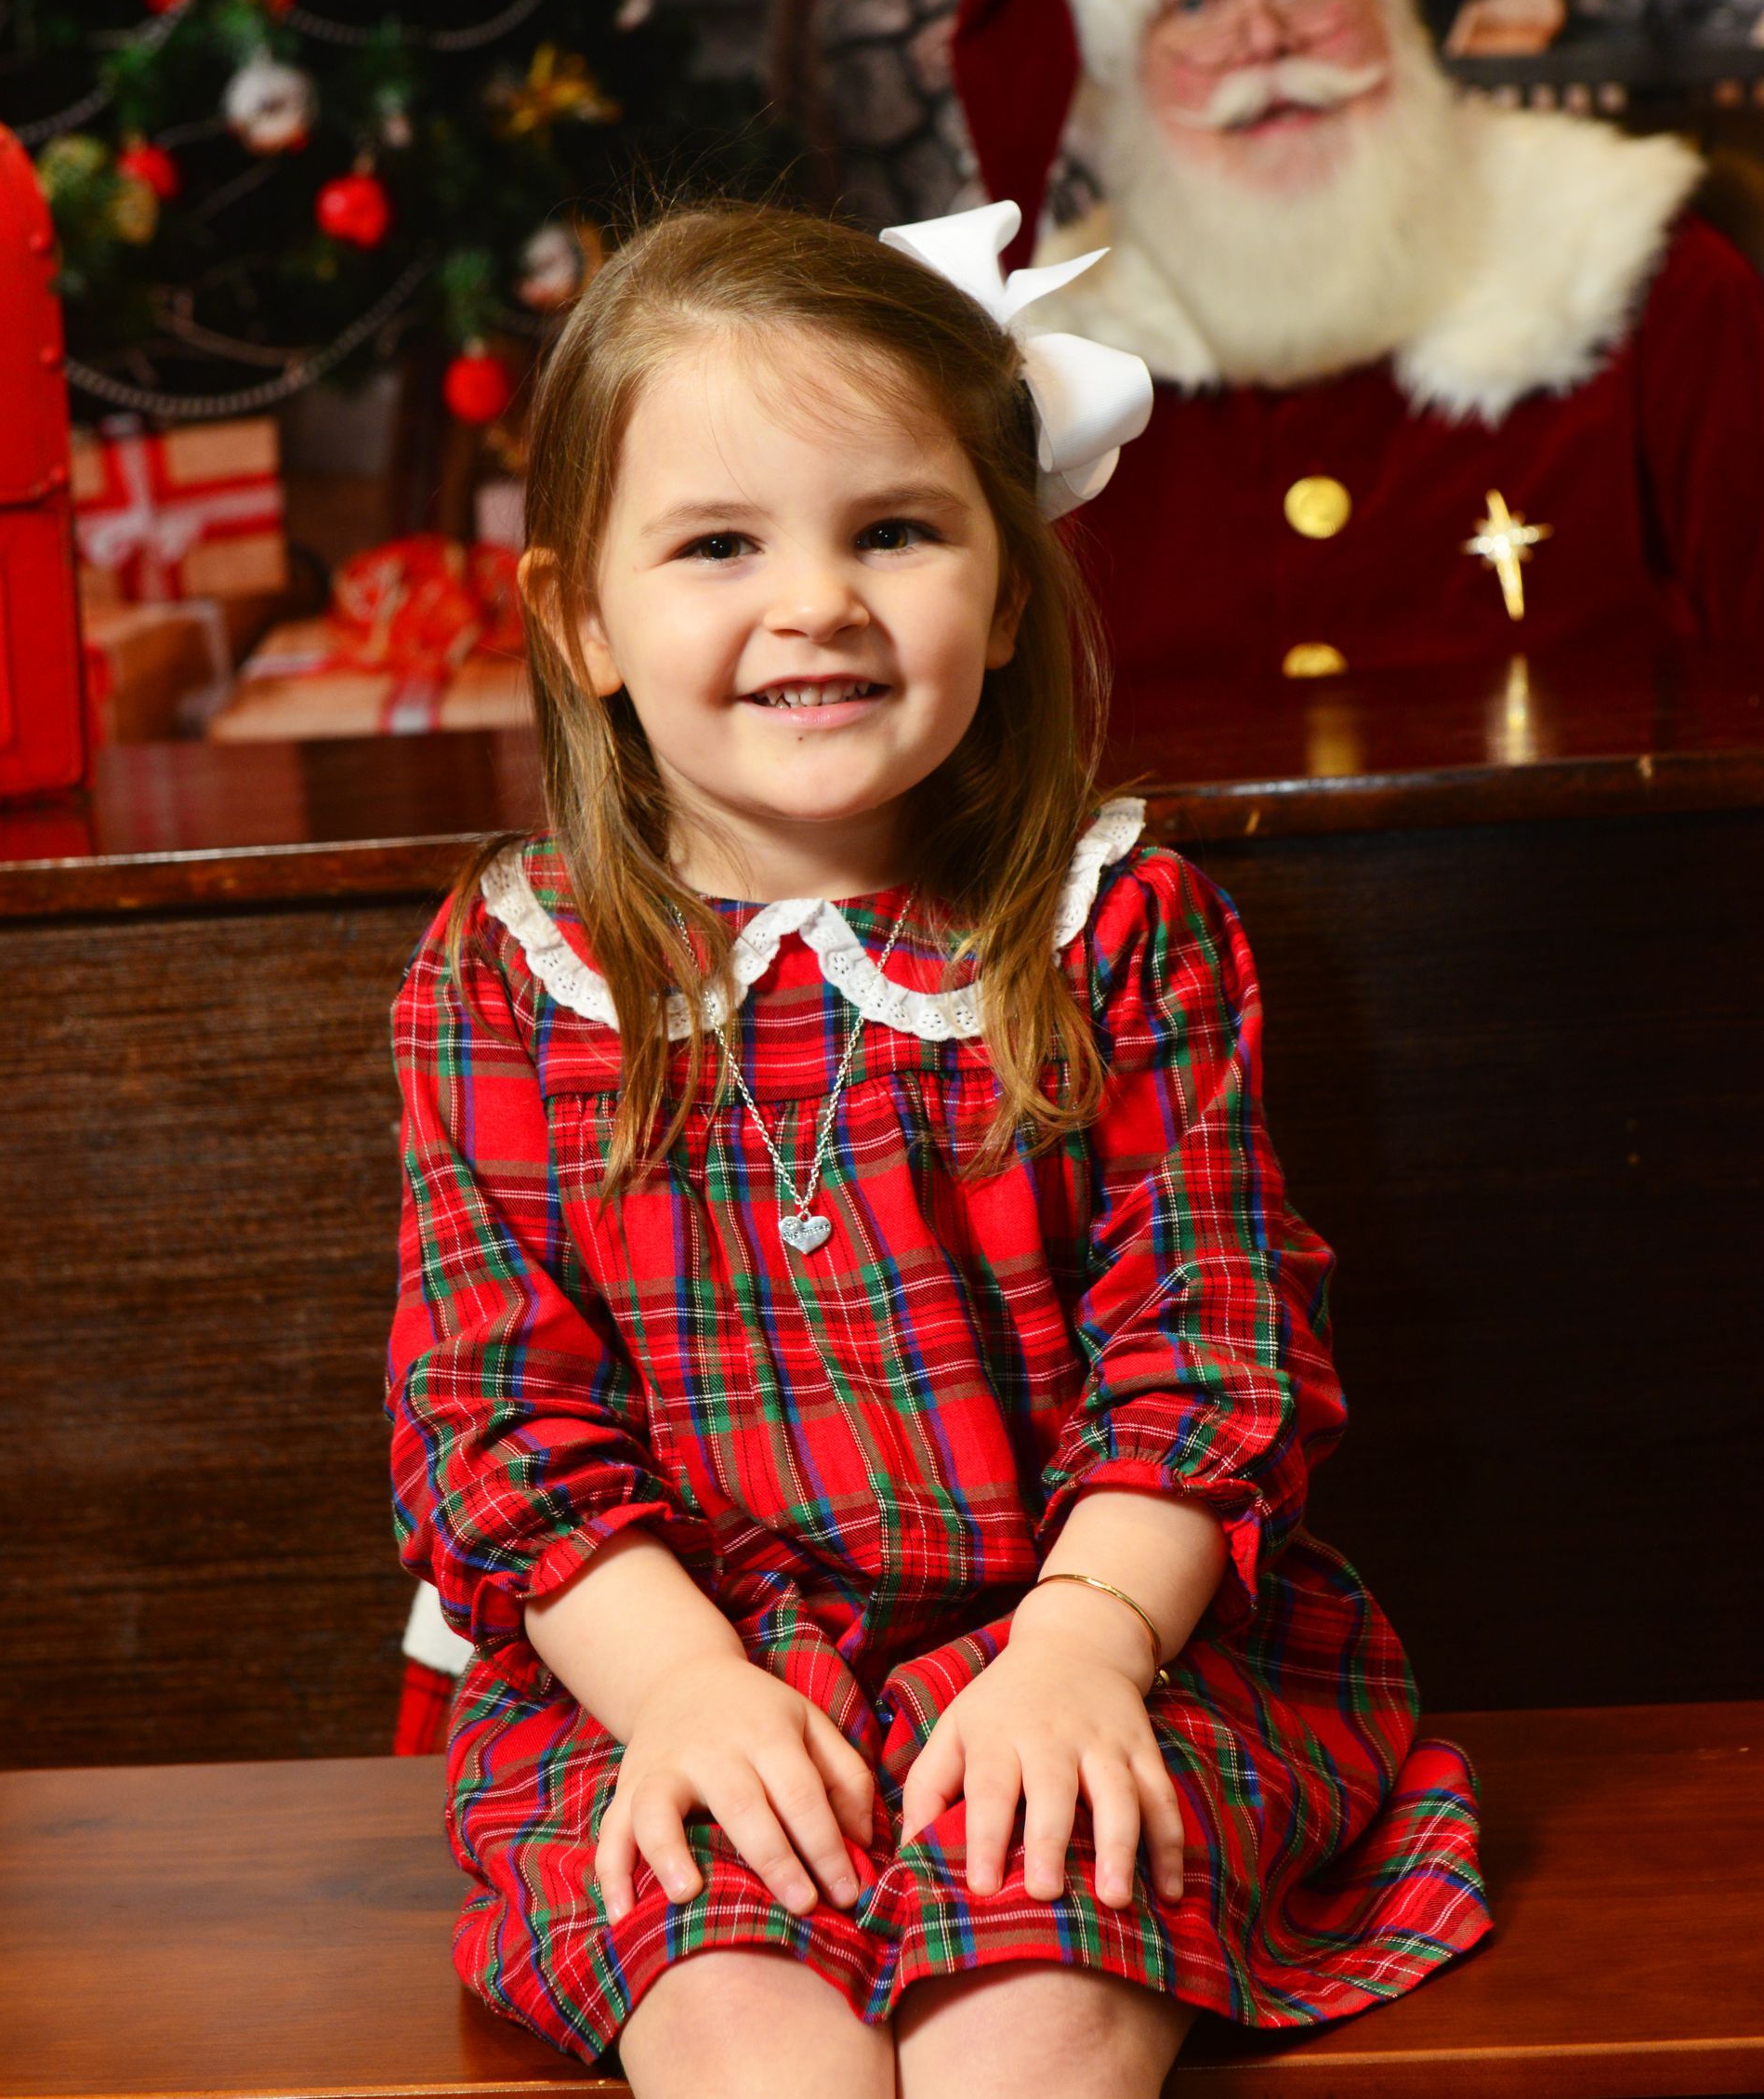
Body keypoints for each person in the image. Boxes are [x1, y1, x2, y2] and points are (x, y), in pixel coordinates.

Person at [386, 199, 1491, 2097]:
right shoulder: (509, 976)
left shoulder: (1119, 935)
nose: (817, 601)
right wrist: (685, 1689)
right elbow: (494, 1422)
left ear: (1010, 584)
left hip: (1098, 1634)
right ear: (582, 619)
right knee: (749, 2038)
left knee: (1033, 2020)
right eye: (720, 543)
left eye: (892, 529)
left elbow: (1206, 1350)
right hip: (681, 1669)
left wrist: (1078, 1650)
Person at [954, 0, 1764, 712]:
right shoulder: (1047, 370)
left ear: (1394, 3)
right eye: (1195, 3)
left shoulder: (1655, 287)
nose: (1265, 38)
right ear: (1120, 81)